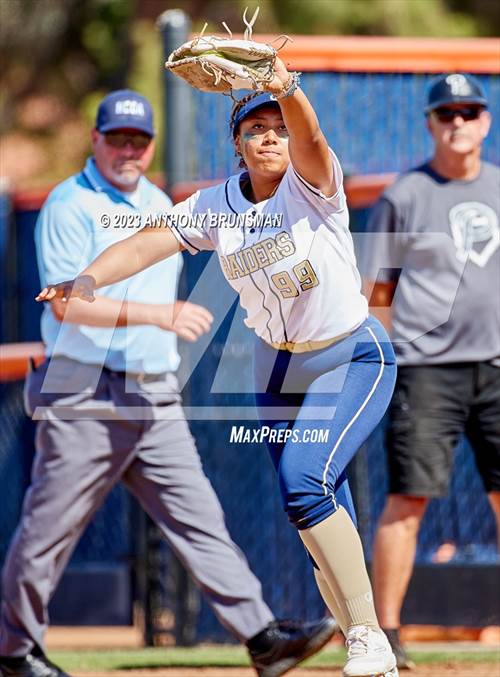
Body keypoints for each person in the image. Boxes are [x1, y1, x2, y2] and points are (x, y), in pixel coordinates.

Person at [36, 54, 401, 677]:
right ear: (236, 142)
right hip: (277, 372)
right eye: (255, 128)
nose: (271, 136)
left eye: (276, 126)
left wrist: (286, 90)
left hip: (348, 356)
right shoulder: (220, 204)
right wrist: (89, 278)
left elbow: (310, 136)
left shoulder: (313, 182)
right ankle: (363, 640)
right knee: (316, 504)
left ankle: (368, 636)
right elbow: (152, 238)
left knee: (303, 484)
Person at [360, 73, 500, 670]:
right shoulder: (405, 195)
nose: (458, 123)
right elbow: (377, 291)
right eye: (447, 114)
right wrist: (387, 358)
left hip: (496, 366)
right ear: (430, 123)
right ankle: (384, 636)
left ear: (486, 121)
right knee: (408, 500)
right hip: (426, 370)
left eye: (469, 112)